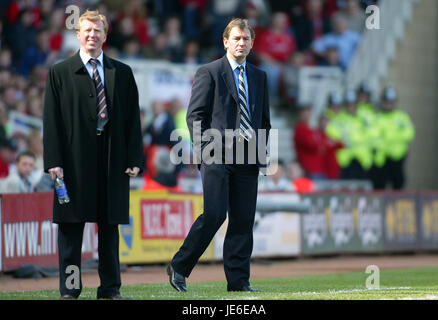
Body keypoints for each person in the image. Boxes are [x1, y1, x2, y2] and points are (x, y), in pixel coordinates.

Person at [43, 10, 143, 300]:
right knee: (71, 231)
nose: (92, 35)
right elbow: (52, 121)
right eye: (87, 30)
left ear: (105, 35)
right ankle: (70, 290)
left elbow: (132, 121)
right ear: (77, 34)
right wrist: (53, 161)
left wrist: (134, 158)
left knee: (109, 229)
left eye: (98, 31)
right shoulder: (59, 72)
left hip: (112, 161)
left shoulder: (122, 73)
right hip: (72, 163)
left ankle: (110, 289)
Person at [167, 18, 271, 293]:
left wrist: (263, 153)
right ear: (225, 41)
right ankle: (179, 265)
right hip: (216, 155)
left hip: (248, 156)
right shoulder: (209, 72)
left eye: (246, 39)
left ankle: (238, 282)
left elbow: (263, 119)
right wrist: (204, 153)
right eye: (236, 38)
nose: (241, 43)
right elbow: (195, 116)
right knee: (214, 215)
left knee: (243, 219)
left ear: (252, 42)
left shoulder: (260, 76)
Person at [372, 86, 414, 189]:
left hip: (398, 158)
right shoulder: (378, 117)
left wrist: (388, 136)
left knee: (398, 184)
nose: (389, 105)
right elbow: (374, 137)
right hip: (381, 159)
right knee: (379, 186)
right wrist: (396, 136)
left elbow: (409, 134)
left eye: (391, 102)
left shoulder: (402, 117)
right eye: (387, 102)